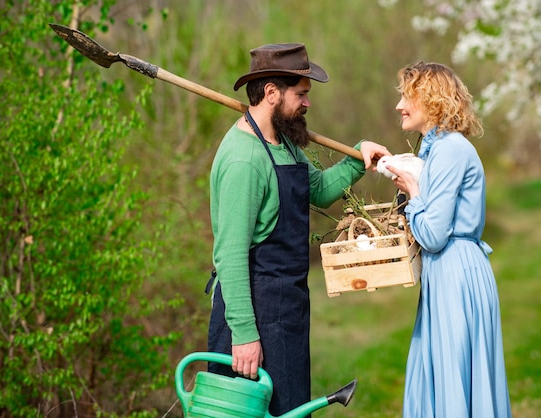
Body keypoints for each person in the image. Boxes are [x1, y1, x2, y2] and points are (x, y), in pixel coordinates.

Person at [206, 43, 389, 416]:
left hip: (286, 310)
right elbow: (230, 255)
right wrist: (243, 335)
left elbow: (318, 191)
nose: (307, 104)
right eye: (301, 95)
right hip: (253, 316)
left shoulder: (283, 143)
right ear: (271, 93)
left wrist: (358, 155)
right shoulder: (245, 159)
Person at [383, 62, 512, 417]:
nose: (399, 106)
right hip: (446, 274)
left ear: (432, 99)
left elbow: (434, 234)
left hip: (456, 273)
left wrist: (412, 191)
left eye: (407, 97)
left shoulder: (451, 149)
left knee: (453, 378)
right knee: (436, 374)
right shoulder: (434, 148)